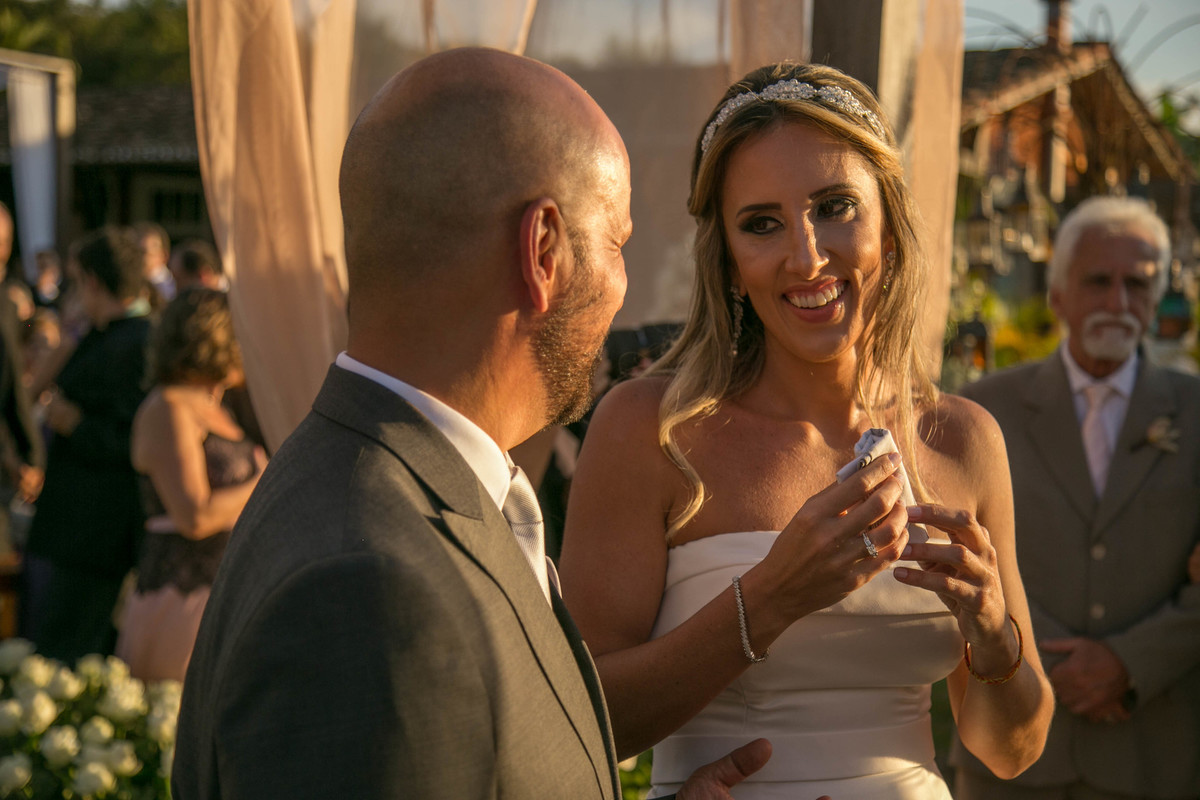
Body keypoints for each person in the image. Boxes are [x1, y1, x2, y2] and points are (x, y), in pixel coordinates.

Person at [173, 47, 777, 800]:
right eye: (617, 245)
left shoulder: (365, 477)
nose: (623, 292)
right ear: (544, 251)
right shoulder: (375, 592)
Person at [558, 62, 1054, 800]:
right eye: (762, 224)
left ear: (887, 224)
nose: (807, 256)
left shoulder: (962, 439)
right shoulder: (650, 430)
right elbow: (576, 721)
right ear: (727, 258)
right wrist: (771, 600)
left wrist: (991, 631)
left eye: (834, 207)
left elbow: (1010, 750)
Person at [956, 196, 1200, 799]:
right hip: (1012, 759)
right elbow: (954, 549)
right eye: (1098, 281)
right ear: (1058, 295)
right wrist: (1051, 665)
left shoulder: (1195, 413)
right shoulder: (981, 411)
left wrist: (1130, 661)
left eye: (1137, 285)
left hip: (1152, 754)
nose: (1119, 303)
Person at [115, 288, 265, 682]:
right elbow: (193, 516)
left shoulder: (219, 407)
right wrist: (268, 480)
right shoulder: (168, 408)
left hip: (230, 593)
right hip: (183, 600)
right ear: (213, 340)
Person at [22, 227, 152, 662]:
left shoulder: (139, 341)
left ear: (93, 280)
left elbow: (135, 439)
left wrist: (76, 424)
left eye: (79, 280)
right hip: (73, 530)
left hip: (97, 536)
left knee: (71, 653)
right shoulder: (99, 333)